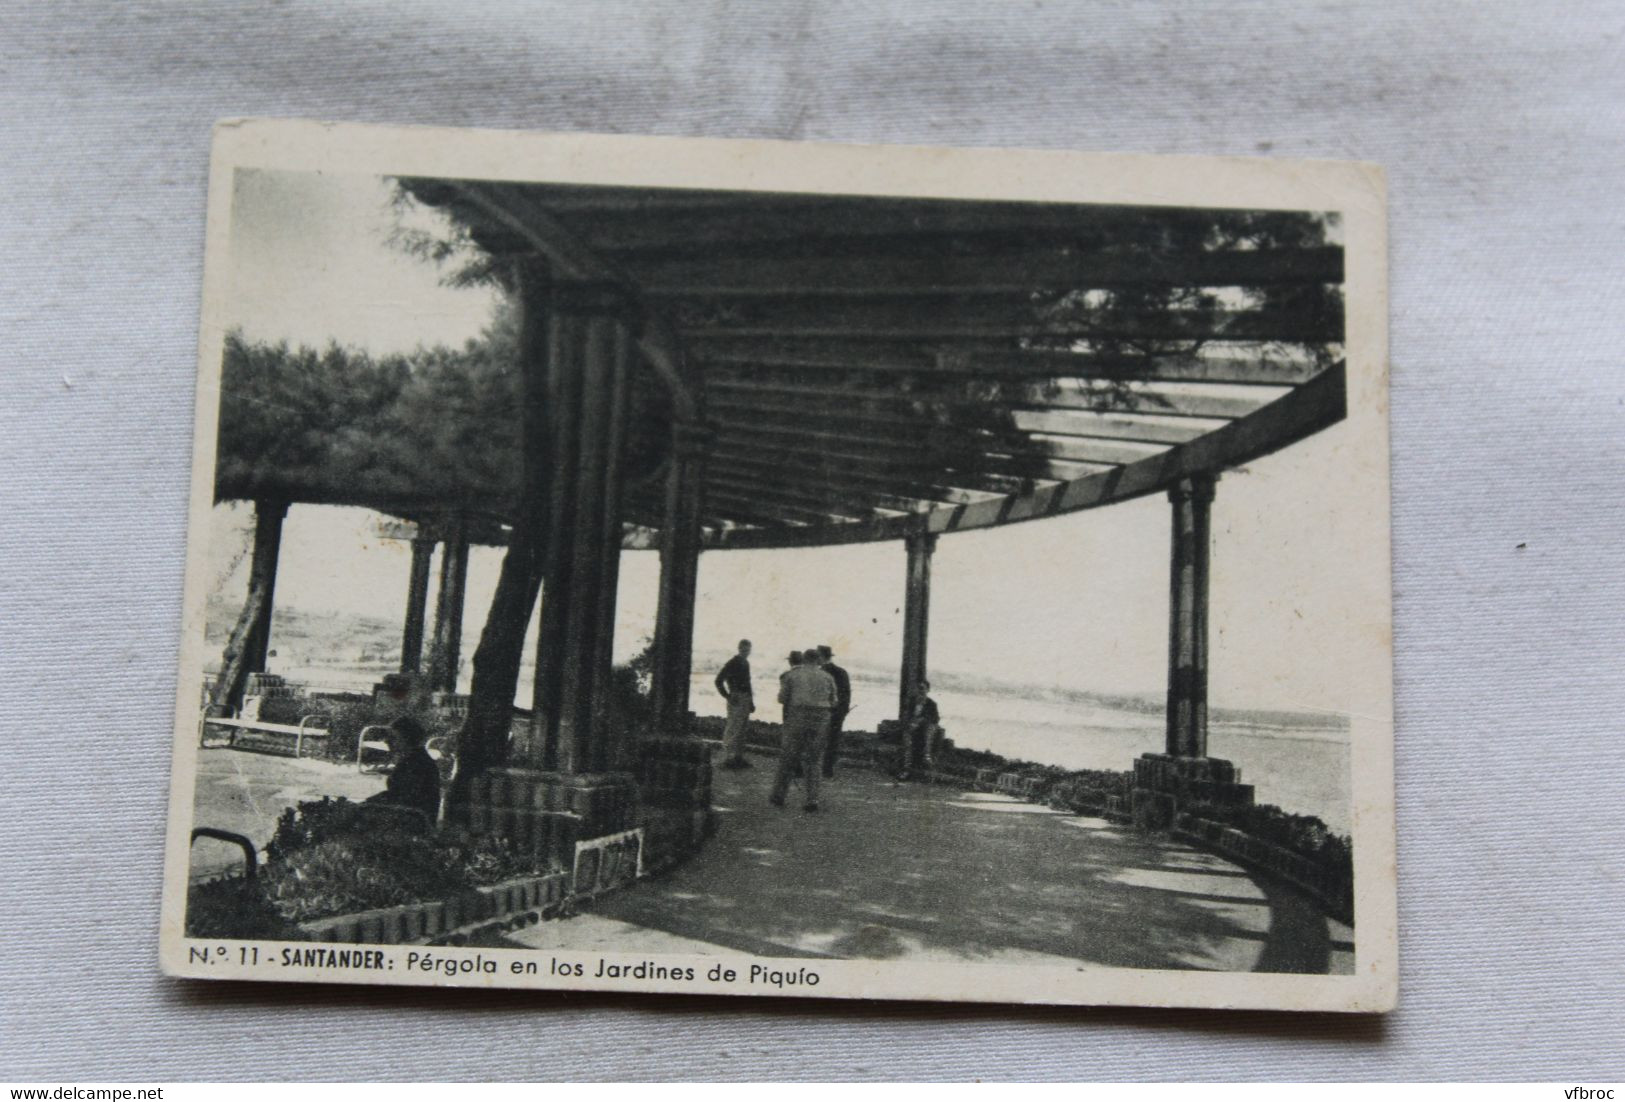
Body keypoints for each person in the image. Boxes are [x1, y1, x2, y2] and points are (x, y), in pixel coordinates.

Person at [772, 647, 838, 811]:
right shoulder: (827, 677)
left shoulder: (792, 675)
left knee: (788, 757)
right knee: (814, 760)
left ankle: (779, 795)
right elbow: (834, 701)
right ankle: (812, 800)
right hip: (821, 718)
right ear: (817, 660)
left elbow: (781, 698)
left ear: (804, 660)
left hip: (798, 716)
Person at [371, 715, 441, 824]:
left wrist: (366, 804)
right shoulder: (413, 759)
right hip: (408, 816)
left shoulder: (417, 763)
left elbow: (400, 798)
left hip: (414, 821)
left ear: (407, 739)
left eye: (393, 737)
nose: (386, 741)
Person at [714, 639, 754, 770]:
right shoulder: (733, 662)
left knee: (742, 729)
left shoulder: (745, 663)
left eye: (748, 650)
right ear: (739, 649)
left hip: (745, 698)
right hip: (736, 697)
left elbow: (748, 684)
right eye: (744, 649)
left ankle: (738, 758)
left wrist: (751, 702)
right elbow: (718, 680)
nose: (746, 652)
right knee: (733, 728)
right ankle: (727, 759)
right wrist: (727, 696)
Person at [817, 644, 852, 778]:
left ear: (821, 657)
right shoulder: (842, 672)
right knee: (833, 741)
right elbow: (847, 694)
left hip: (823, 711)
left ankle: (814, 768)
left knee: (816, 739)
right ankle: (828, 770)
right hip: (838, 712)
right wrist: (843, 711)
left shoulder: (820, 673)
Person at [898, 679, 940, 781]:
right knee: (907, 743)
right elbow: (905, 715)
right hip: (912, 729)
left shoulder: (931, 704)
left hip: (924, 730)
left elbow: (935, 719)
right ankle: (906, 769)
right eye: (919, 689)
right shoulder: (911, 702)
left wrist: (921, 721)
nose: (920, 691)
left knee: (929, 731)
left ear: (928, 690)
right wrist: (910, 723)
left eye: (922, 689)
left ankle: (927, 757)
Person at [779, 649, 802, 724]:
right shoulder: (810, 675)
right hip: (806, 708)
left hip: (790, 708)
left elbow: (782, 698)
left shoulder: (786, 675)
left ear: (790, 662)